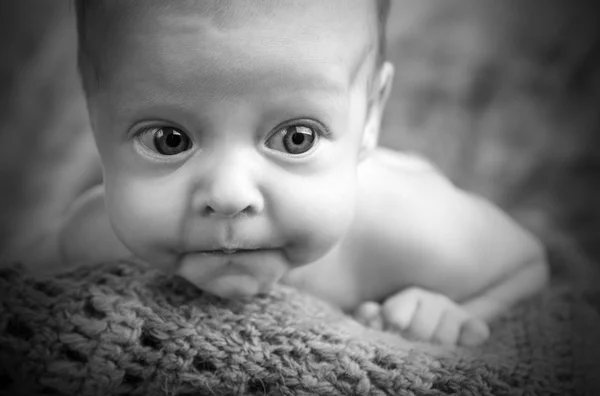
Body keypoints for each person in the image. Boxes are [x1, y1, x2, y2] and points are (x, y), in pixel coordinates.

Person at [13, 0, 549, 347]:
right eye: (168, 141)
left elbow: (525, 261)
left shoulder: (406, 227)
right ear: (94, 114)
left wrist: (459, 310)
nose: (229, 195)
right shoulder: (90, 236)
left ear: (370, 117)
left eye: (297, 138)